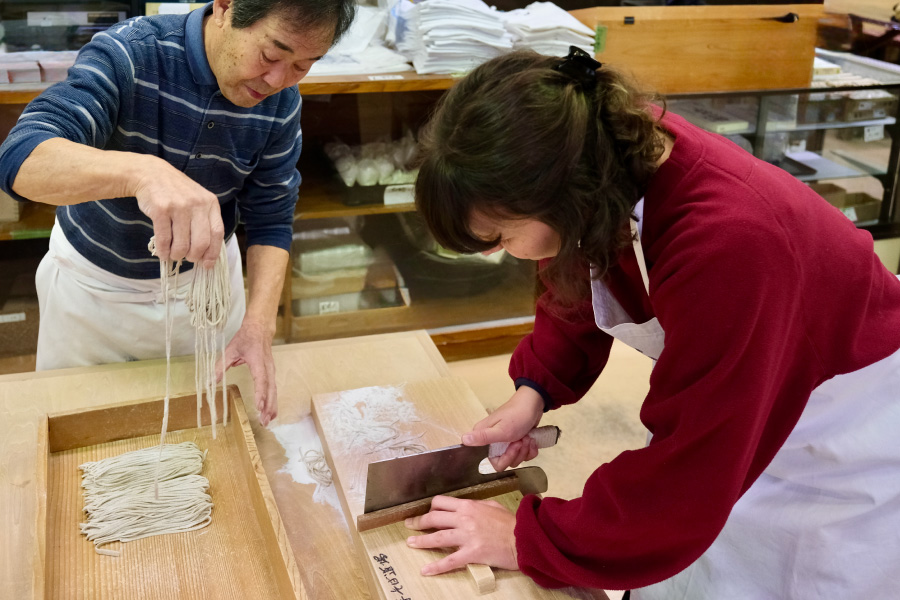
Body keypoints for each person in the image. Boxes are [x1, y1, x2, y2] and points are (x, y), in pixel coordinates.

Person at [405, 47, 900, 598]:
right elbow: (579, 275)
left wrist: (529, 538)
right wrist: (534, 390)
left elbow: (688, 479)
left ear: (565, 197)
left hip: (839, 434)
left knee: (781, 575)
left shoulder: (730, 245)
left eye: (501, 238)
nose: (502, 255)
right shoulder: (604, 158)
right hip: (741, 394)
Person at [0, 0, 356, 425]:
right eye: (271, 55)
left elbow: (272, 216)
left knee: (205, 435)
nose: (278, 80)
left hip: (203, 295)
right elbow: (20, 157)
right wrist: (141, 173)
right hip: (95, 297)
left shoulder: (280, 102)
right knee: (81, 434)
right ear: (227, 7)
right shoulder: (132, 54)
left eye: (303, 65)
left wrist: (259, 326)